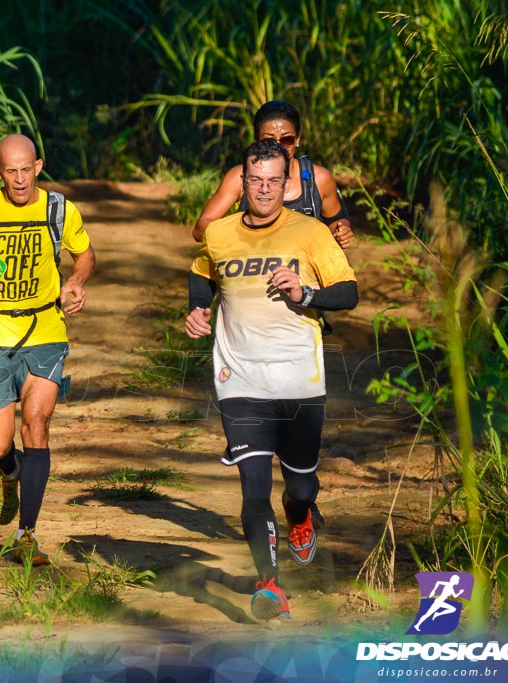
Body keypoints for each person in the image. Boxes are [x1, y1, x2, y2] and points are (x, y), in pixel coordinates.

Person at [184, 139, 358, 619]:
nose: (263, 191)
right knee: (253, 488)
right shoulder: (218, 233)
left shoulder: (309, 232)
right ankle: (269, 585)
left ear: (287, 184)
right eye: (255, 181)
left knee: (300, 485)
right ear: (243, 183)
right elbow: (203, 272)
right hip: (238, 377)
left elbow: (348, 293)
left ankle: (300, 516)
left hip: (299, 377)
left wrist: (306, 293)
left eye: (273, 182)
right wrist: (197, 308)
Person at [0, 134, 95, 565]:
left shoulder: (59, 209)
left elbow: (84, 253)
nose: (21, 179)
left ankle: (27, 533)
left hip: (45, 329)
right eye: (12, 171)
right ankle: (9, 472)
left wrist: (76, 282)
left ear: (38, 165)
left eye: (27, 169)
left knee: (38, 424)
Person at [191, 101, 354, 249]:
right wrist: (246, 235)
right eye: (268, 140)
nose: (279, 147)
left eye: (287, 140)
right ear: (256, 140)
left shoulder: (318, 179)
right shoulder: (238, 178)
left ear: (297, 140)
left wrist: (342, 232)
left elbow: (337, 221)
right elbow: (201, 229)